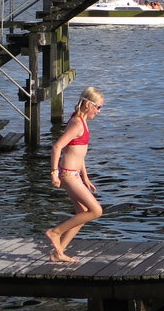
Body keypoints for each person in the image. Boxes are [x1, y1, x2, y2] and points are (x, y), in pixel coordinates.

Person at [46, 87, 105, 263]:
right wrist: (54, 173)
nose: (99, 111)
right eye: (98, 107)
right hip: (68, 175)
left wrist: (85, 177)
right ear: (88, 104)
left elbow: (79, 153)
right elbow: (57, 147)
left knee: (82, 212)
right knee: (96, 211)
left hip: (76, 175)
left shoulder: (82, 120)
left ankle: (58, 253)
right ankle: (55, 232)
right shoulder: (77, 123)